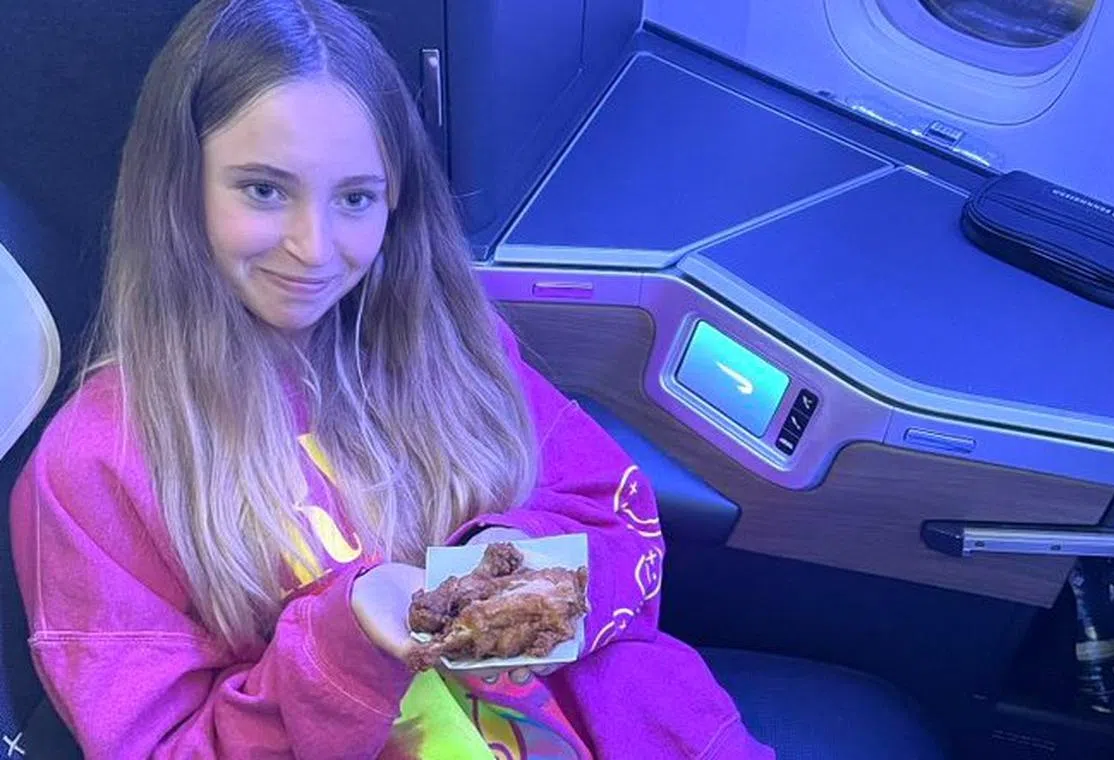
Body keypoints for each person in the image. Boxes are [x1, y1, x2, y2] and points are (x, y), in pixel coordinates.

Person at [8, 0, 772, 757]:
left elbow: (613, 522)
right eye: (264, 189)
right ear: (180, 188)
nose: (314, 249)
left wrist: (516, 565)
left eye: (355, 198)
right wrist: (348, 642)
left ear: (396, 200)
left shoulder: (445, 342)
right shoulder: (97, 468)